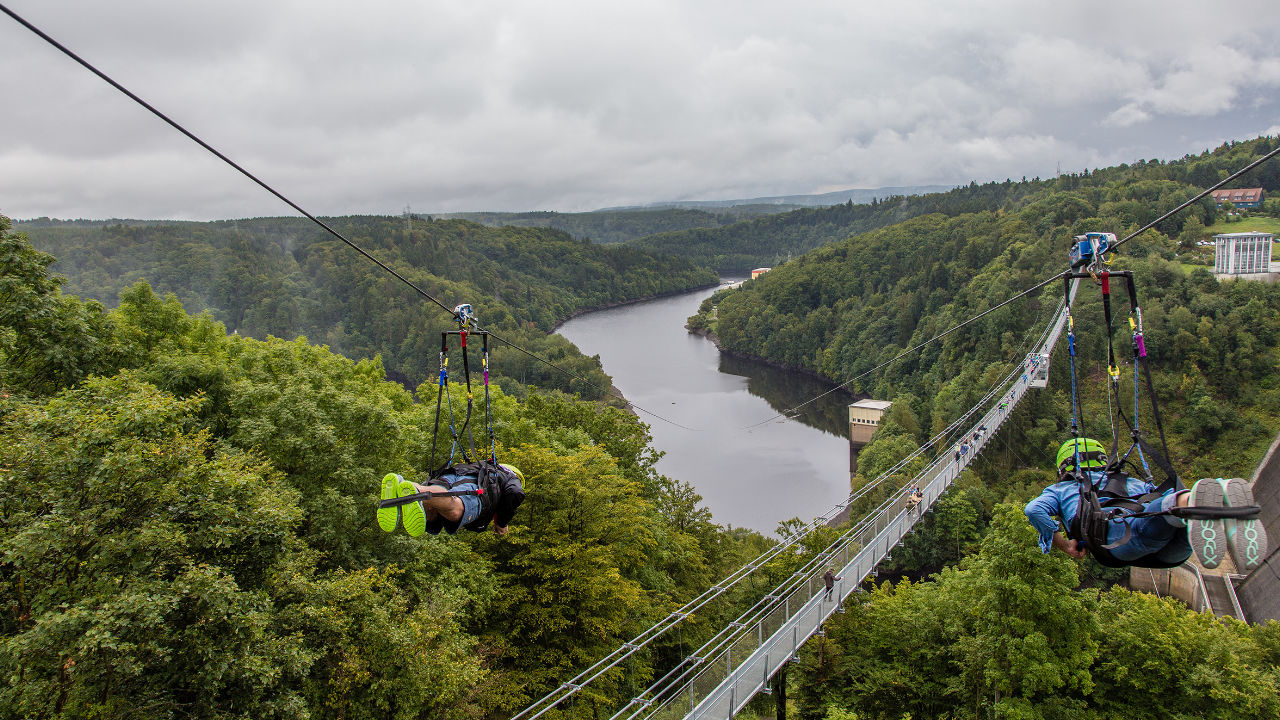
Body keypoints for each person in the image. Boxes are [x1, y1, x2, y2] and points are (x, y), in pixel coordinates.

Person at [1024, 438, 1268, 570]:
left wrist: (1065, 545)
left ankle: (1191, 504)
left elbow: (1033, 509)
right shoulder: (1128, 479)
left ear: (1064, 465)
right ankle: (1208, 499)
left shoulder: (1060, 489)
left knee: (1154, 523)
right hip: (1170, 545)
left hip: (1127, 543)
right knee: (1164, 507)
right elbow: (1152, 498)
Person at [378, 460, 525, 537]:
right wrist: (502, 522)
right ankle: (417, 491)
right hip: (477, 484)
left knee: (433, 512)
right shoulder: (511, 477)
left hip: (454, 474)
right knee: (456, 510)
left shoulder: (483, 465)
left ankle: (404, 486)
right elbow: (515, 493)